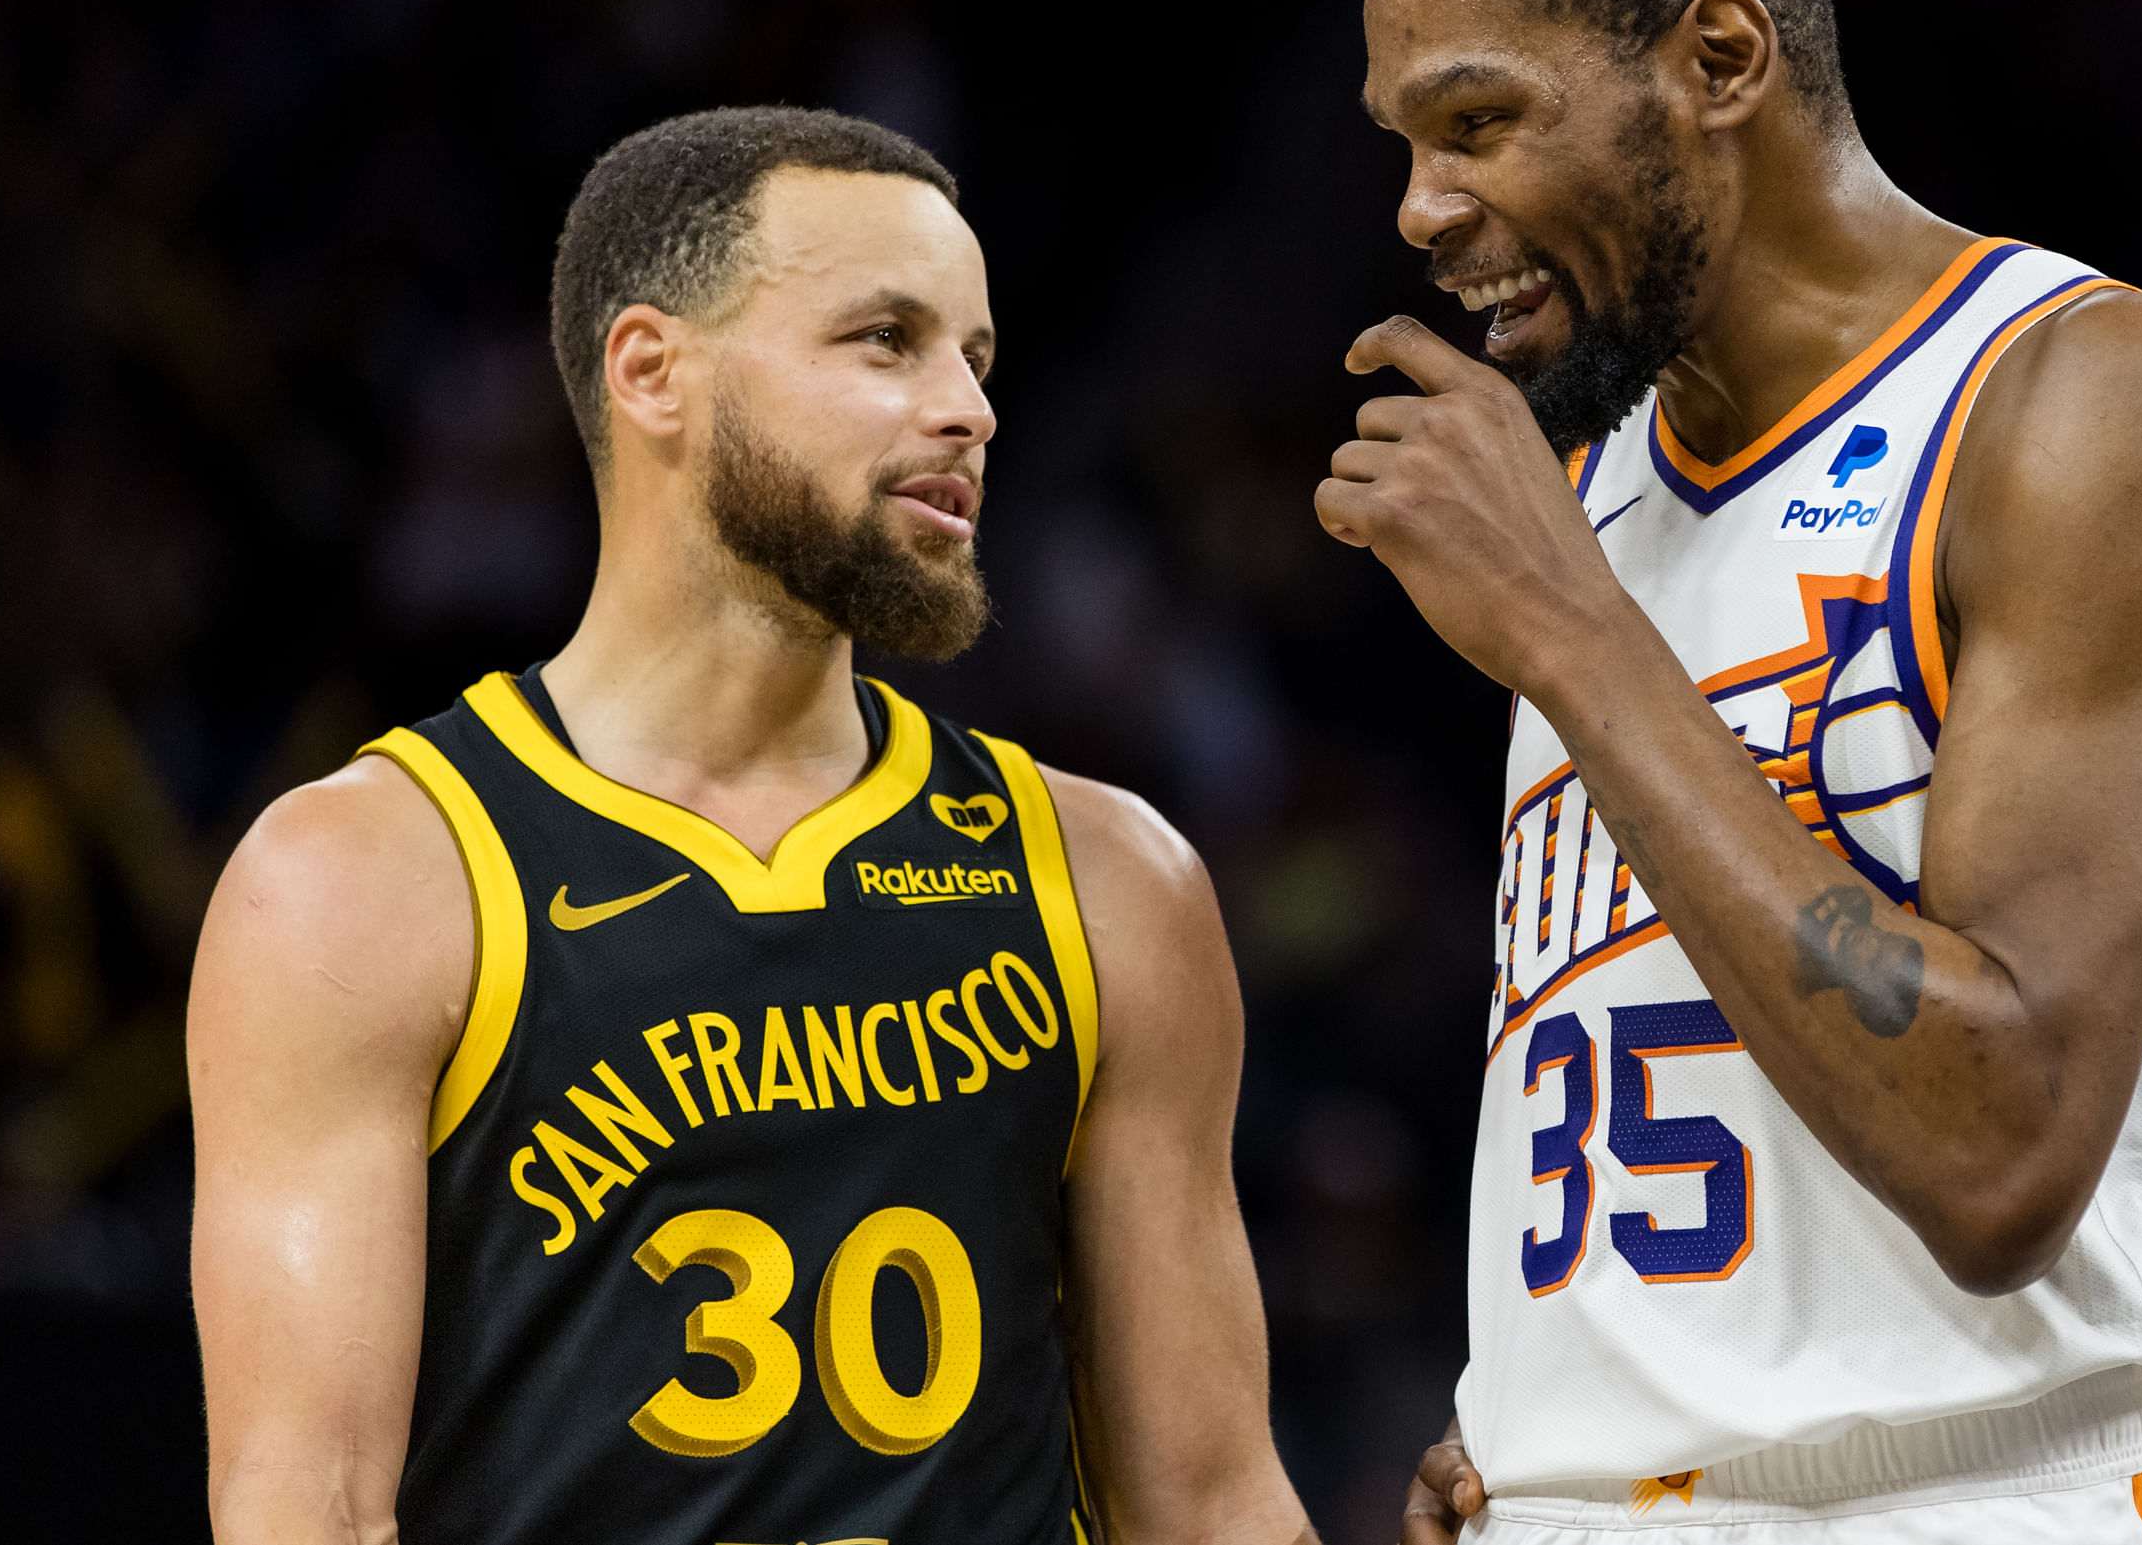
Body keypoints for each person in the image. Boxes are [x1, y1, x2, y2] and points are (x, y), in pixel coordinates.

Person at [1322, 0, 2142, 1543]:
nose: (1420, 206)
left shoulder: (2094, 401)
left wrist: (1568, 634)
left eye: (1479, 121)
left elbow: (2003, 1149)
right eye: (1403, 142)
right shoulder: (1590, 489)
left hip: (1965, 1500)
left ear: (1721, 55)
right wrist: (1568, 1420)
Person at [190, 107, 1315, 1545]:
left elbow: (1213, 1500)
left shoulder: (1108, 877)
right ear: (653, 371)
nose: (968, 408)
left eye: (976, 358)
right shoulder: (361, 882)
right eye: (884, 340)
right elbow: (311, 1508)